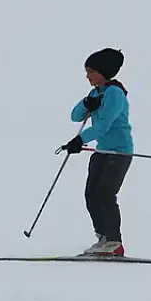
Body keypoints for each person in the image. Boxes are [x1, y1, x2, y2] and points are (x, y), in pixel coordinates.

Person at [61, 48, 133, 257]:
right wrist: (86, 103)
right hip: (101, 151)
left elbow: (103, 126)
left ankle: (114, 242)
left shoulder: (115, 94)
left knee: (105, 194)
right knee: (91, 194)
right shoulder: (96, 93)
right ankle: (103, 238)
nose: (87, 76)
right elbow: (75, 116)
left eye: (91, 71)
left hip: (119, 152)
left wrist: (79, 140)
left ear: (103, 71)